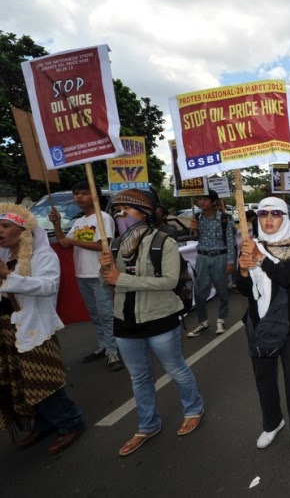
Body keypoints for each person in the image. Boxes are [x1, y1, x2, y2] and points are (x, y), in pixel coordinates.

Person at [99, 189, 204, 456]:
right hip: (125, 321)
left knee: (175, 369)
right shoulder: (114, 245)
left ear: (143, 213)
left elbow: (169, 281)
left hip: (159, 318)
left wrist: (121, 279)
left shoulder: (162, 242)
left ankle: (193, 409)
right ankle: (147, 425)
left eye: (126, 210)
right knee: (139, 378)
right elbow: (109, 283)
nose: (119, 214)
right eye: (117, 210)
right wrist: (106, 270)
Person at [0, 204, 84, 454]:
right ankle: (44, 423)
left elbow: (48, 287)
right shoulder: (3, 256)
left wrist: (9, 276)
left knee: (43, 380)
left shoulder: (43, 256)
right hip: (6, 329)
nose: (0, 232)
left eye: (5, 227)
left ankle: (71, 422)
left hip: (34, 328)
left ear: (23, 233)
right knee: (23, 382)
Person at [236, 197, 290, 452]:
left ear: (284, 217)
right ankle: (272, 422)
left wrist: (260, 258)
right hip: (260, 323)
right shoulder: (250, 244)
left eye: (275, 214)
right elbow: (244, 290)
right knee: (264, 378)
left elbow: (287, 277)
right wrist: (244, 270)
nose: (268, 219)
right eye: (263, 214)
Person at [48, 180, 122, 371]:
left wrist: (74, 240)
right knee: (95, 315)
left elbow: (102, 246)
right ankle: (105, 346)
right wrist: (56, 224)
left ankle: (114, 351)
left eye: (83, 193)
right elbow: (64, 242)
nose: (78, 197)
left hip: (99, 274)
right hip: (82, 275)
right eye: (76, 193)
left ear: (95, 196)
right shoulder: (80, 222)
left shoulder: (103, 218)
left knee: (106, 314)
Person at [187, 190, 236, 337]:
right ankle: (203, 322)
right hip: (202, 258)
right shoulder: (197, 217)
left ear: (214, 202)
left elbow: (230, 241)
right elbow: (195, 239)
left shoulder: (225, 219)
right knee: (200, 291)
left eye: (205, 199)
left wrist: (230, 262)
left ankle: (221, 320)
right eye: (200, 199)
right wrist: (194, 229)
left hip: (219, 257)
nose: (201, 202)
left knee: (222, 290)